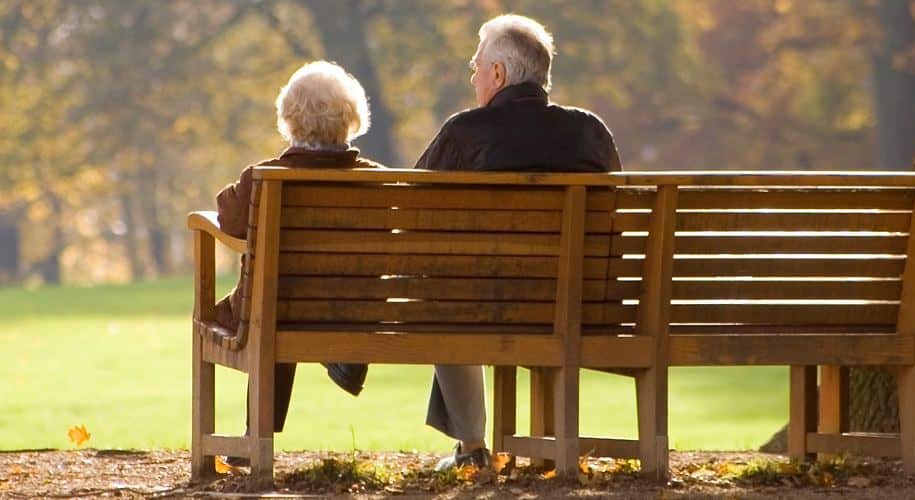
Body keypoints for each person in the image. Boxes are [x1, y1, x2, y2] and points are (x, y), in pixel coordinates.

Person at [415, 14, 622, 470]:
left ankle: (472, 449)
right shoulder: (591, 131)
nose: (472, 76)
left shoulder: (463, 133)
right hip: (587, 305)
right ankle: (498, 445)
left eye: (476, 65)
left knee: (440, 289)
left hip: (484, 308)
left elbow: (410, 211)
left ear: (499, 74)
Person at [214, 61, 381, 456]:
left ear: (289, 119)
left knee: (269, 302)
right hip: (349, 314)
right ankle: (342, 354)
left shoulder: (263, 178)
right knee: (283, 295)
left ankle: (257, 436)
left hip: (274, 310)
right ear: (352, 117)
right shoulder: (377, 180)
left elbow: (230, 221)